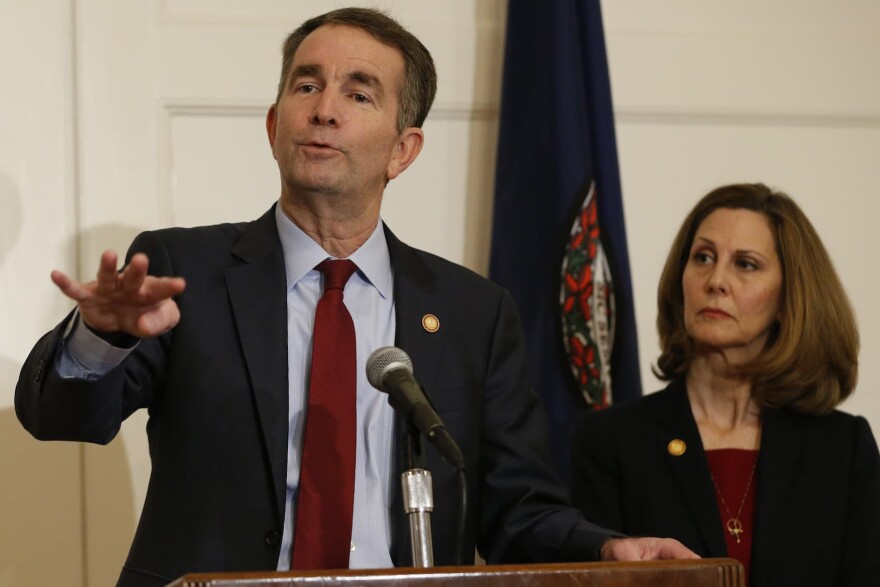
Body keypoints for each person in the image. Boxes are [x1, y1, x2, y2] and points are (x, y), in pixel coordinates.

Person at [15, 7, 694, 587]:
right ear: (274, 124)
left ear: (403, 150)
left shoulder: (473, 314)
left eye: (359, 94)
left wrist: (605, 547)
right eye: (307, 85)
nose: (324, 109)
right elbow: (59, 418)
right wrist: (100, 338)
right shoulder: (182, 272)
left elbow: (516, 509)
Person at [570, 183, 880, 586]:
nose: (716, 280)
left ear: (789, 299)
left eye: (745, 264)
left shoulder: (843, 448)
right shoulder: (610, 442)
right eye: (703, 257)